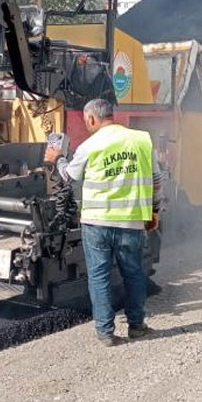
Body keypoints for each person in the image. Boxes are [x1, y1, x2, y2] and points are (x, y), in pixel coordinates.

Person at [45, 98, 160, 346]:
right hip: (131, 221)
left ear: (92, 119)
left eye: (87, 122)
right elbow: (156, 179)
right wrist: (155, 211)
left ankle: (105, 332)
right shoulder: (141, 140)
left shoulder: (89, 145)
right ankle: (137, 326)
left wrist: (58, 157)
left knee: (99, 276)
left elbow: (68, 176)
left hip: (96, 223)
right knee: (134, 274)